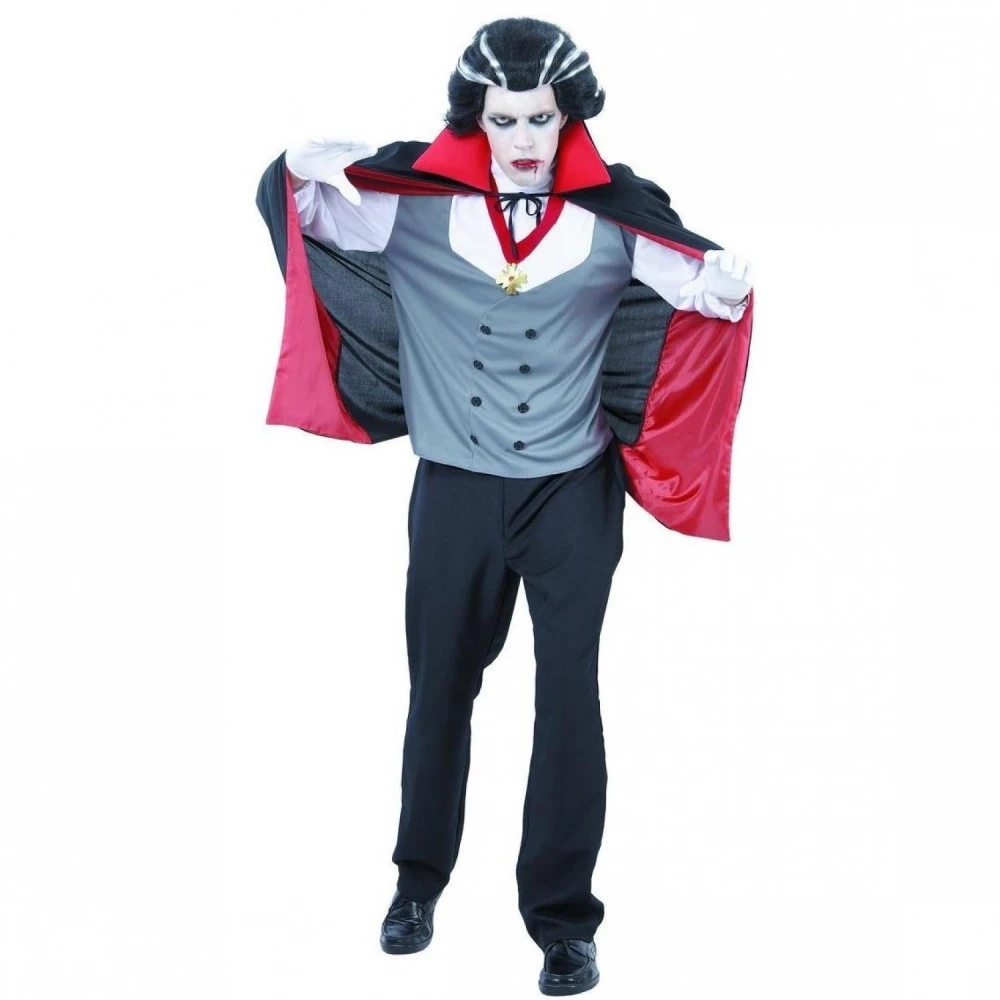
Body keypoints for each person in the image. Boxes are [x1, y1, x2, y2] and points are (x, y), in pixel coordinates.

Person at [257, 16, 753, 996]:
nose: (524, 138)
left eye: (540, 117)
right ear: (472, 119)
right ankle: (417, 883)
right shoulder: (406, 209)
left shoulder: (617, 217)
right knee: (439, 683)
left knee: (568, 697)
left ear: (570, 116)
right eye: (503, 118)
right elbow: (308, 219)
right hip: (456, 492)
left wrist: (726, 289)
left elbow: (699, 291)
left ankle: (564, 924)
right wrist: (297, 166)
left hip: (573, 494)